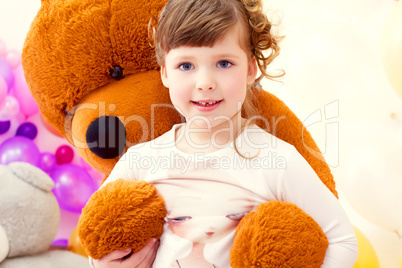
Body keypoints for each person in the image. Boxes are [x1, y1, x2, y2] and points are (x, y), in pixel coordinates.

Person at [91, 0, 358, 267]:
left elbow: (343, 240)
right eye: (186, 66)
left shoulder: (276, 160)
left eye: (224, 63)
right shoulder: (141, 162)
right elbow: (97, 237)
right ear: (165, 74)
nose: (205, 83)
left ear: (250, 70)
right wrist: (103, 264)